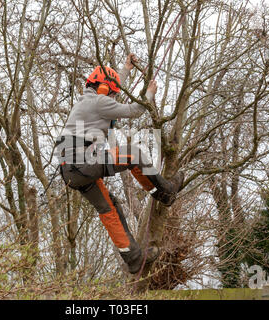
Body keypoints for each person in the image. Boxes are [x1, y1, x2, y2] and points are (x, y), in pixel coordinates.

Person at [55, 54, 184, 274]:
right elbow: (135, 110)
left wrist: (126, 68)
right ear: (104, 89)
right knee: (133, 154)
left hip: (70, 171)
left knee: (109, 207)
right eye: (112, 91)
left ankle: (133, 257)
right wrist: (149, 94)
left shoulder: (89, 99)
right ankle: (165, 192)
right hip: (83, 160)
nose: (114, 96)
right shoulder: (98, 102)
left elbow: (112, 87)